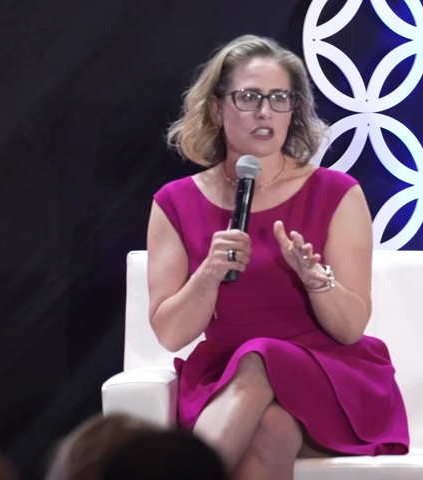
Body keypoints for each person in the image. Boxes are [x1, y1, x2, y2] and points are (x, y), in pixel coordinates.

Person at [147, 34, 409, 479]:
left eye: (279, 98)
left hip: (329, 376)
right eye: (248, 97)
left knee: (260, 355)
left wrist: (316, 280)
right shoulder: (175, 202)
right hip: (227, 381)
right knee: (270, 427)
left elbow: (349, 329)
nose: (264, 112)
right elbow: (171, 334)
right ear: (216, 108)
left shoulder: (336, 194)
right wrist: (208, 275)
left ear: (294, 110)